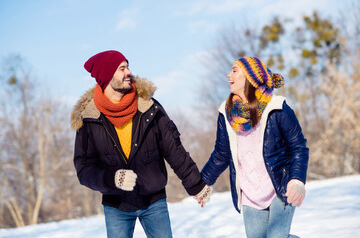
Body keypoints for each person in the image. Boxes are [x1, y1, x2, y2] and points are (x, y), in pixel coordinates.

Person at [70, 50, 211, 238]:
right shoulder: (89, 119)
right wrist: (112, 179)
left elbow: (173, 148)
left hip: (154, 201)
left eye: (128, 67)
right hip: (116, 206)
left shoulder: (148, 107)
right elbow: (84, 169)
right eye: (121, 68)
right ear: (106, 76)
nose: (128, 72)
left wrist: (196, 185)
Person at [198, 57, 309, 238]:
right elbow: (221, 154)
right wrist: (203, 184)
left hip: (279, 187)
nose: (228, 75)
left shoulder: (277, 107)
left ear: (251, 77)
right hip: (249, 194)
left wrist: (296, 180)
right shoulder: (226, 113)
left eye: (234, 70)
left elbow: (298, 147)